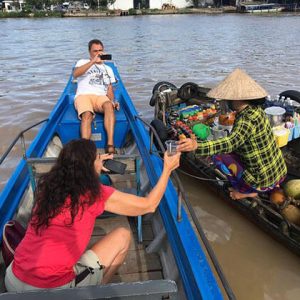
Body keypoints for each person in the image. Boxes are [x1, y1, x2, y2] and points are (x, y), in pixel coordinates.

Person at [5, 139, 180, 292]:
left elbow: (76, 174)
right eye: (97, 157)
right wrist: (167, 169)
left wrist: (94, 166)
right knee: (123, 236)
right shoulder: (95, 194)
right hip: (52, 291)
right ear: (88, 167)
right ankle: (97, 292)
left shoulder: (47, 189)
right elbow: (149, 205)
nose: (100, 159)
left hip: (13, 278)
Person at [177, 68, 287, 200]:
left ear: (237, 99)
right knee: (233, 152)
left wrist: (197, 146)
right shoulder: (257, 110)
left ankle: (245, 190)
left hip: (262, 181)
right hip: (279, 172)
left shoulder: (246, 120)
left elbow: (230, 143)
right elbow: (240, 139)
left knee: (217, 156)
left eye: (228, 99)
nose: (226, 101)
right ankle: (261, 186)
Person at [73, 39, 119, 154]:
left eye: (100, 50)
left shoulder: (108, 69)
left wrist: (113, 100)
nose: (98, 53)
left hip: (100, 97)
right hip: (84, 96)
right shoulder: (82, 62)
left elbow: (109, 88)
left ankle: (110, 145)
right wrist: (93, 62)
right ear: (90, 52)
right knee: (87, 114)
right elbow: (75, 74)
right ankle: (85, 150)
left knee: (109, 106)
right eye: (95, 51)